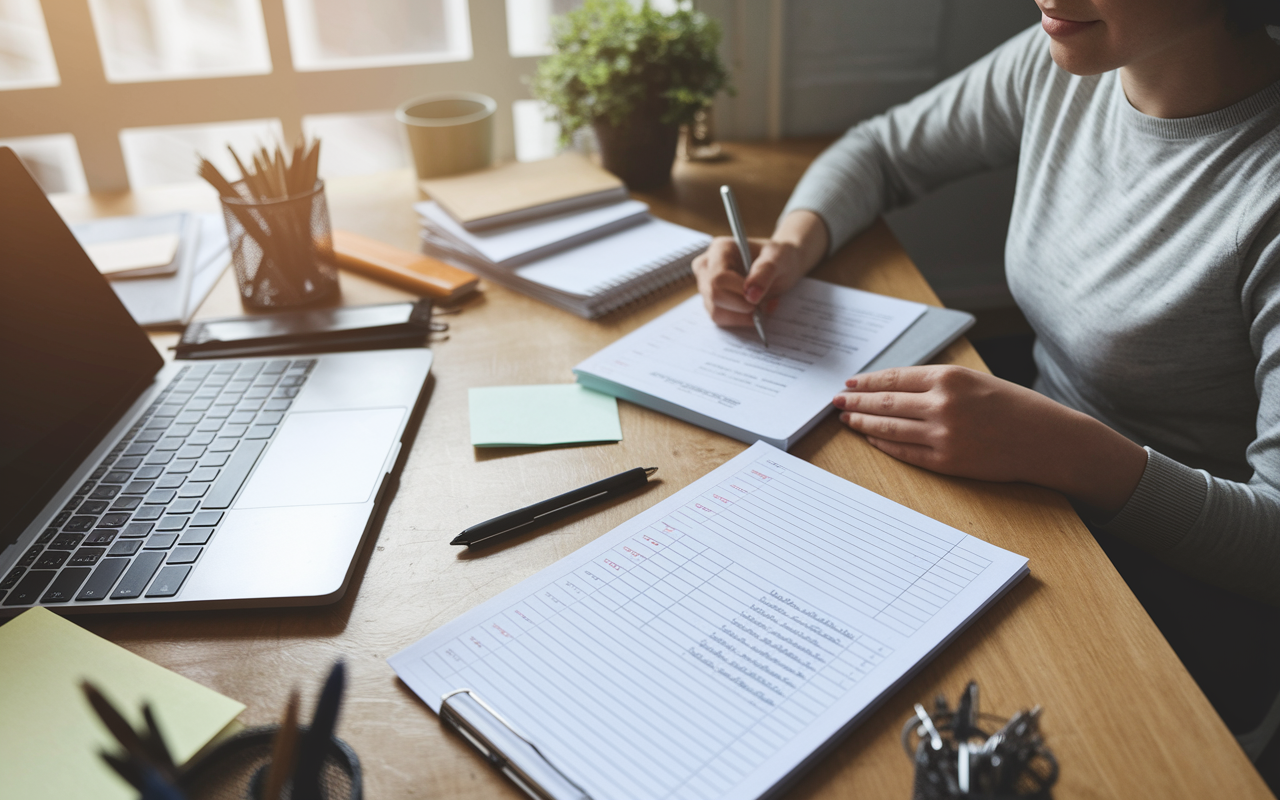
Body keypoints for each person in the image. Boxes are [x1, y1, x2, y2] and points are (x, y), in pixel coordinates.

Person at [693, 0, 1280, 785]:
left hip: (1185, 600)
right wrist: (791, 249)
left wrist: (1062, 448)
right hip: (1038, 494)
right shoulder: (1064, 60)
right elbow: (881, 150)